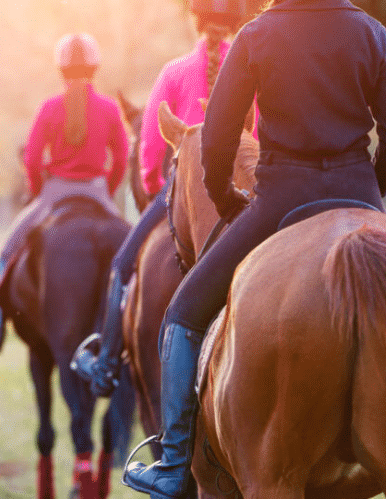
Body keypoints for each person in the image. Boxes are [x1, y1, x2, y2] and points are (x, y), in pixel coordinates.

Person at [122, 1, 386, 498]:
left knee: (181, 314)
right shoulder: (371, 32)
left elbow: (219, 141)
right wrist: (369, 194)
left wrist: (226, 200)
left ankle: (174, 461)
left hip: (278, 200)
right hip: (360, 193)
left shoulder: (256, 36)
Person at [79, 0, 249, 396]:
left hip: (181, 186)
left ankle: (105, 363)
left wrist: (155, 179)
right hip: (241, 191)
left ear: (197, 23)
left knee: (122, 266)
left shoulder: (173, 72)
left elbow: (151, 146)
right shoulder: (249, 71)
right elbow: (254, 135)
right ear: (234, 23)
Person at [0, 33, 128, 352]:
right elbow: (122, 157)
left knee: (5, 256)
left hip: (54, 193)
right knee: (134, 252)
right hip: (98, 192)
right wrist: (108, 190)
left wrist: (38, 193)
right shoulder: (109, 109)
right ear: (95, 67)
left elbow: (32, 160)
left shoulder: (49, 108)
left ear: (61, 70)